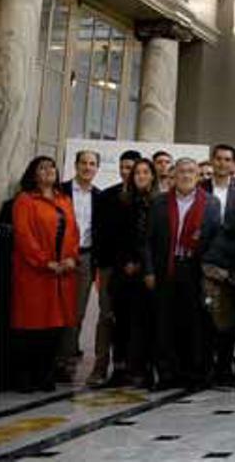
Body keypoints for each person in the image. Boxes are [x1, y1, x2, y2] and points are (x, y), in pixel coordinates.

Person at [143, 158, 221, 389]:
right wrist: (148, 270)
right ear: (173, 176)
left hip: (196, 270)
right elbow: (146, 240)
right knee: (165, 324)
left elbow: (216, 237)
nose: (186, 175)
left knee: (195, 324)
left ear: (198, 177)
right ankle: (167, 374)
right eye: (181, 171)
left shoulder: (211, 203)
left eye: (191, 171)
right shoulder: (159, 203)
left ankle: (194, 374)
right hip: (166, 268)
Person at [10, 157, 80, 392]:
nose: (49, 171)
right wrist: (45, 262)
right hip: (35, 274)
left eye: (52, 167)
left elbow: (74, 233)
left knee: (55, 328)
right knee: (32, 328)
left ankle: (46, 375)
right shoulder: (25, 200)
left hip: (62, 274)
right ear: (33, 174)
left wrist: (71, 257)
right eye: (43, 168)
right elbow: (24, 236)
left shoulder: (64, 199)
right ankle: (26, 377)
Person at [86, 149, 140, 386]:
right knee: (107, 316)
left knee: (133, 318)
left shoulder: (147, 198)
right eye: (124, 167)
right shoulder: (106, 196)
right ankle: (100, 365)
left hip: (136, 269)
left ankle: (129, 366)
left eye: (132, 168)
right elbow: (99, 232)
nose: (126, 172)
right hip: (110, 267)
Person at [106, 159, 159, 388]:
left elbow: (156, 239)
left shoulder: (159, 203)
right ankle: (119, 369)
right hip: (122, 271)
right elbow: (114, 237)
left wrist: (141, 264)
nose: (140, 176)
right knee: (121, 322)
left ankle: (144, 368)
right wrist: (126, 262)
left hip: (147, 271)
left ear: (153, 176)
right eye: (137, 172)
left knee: (145, 322)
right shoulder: (120, 202)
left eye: (146, 172)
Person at [201, 144, 235, 387]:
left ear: (233, 164)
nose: (222, 164)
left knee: (228, 320)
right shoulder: (199, 190)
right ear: (212, 161)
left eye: (227, 159)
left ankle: (225, 369)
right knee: (205, 319)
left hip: (232, 265)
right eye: (218, 159)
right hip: (204, 261)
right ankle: (204, 368)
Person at [58, 150, 100, 380]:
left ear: (96, 169)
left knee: (78, 311)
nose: (87, 167)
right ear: (75, 165)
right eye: (83, 162)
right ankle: (53, 358)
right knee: (56, 309)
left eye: (92, 164)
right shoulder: (60, 191)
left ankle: (66, 360)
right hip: (60, 256)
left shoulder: (99, 196)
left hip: (86, 256)